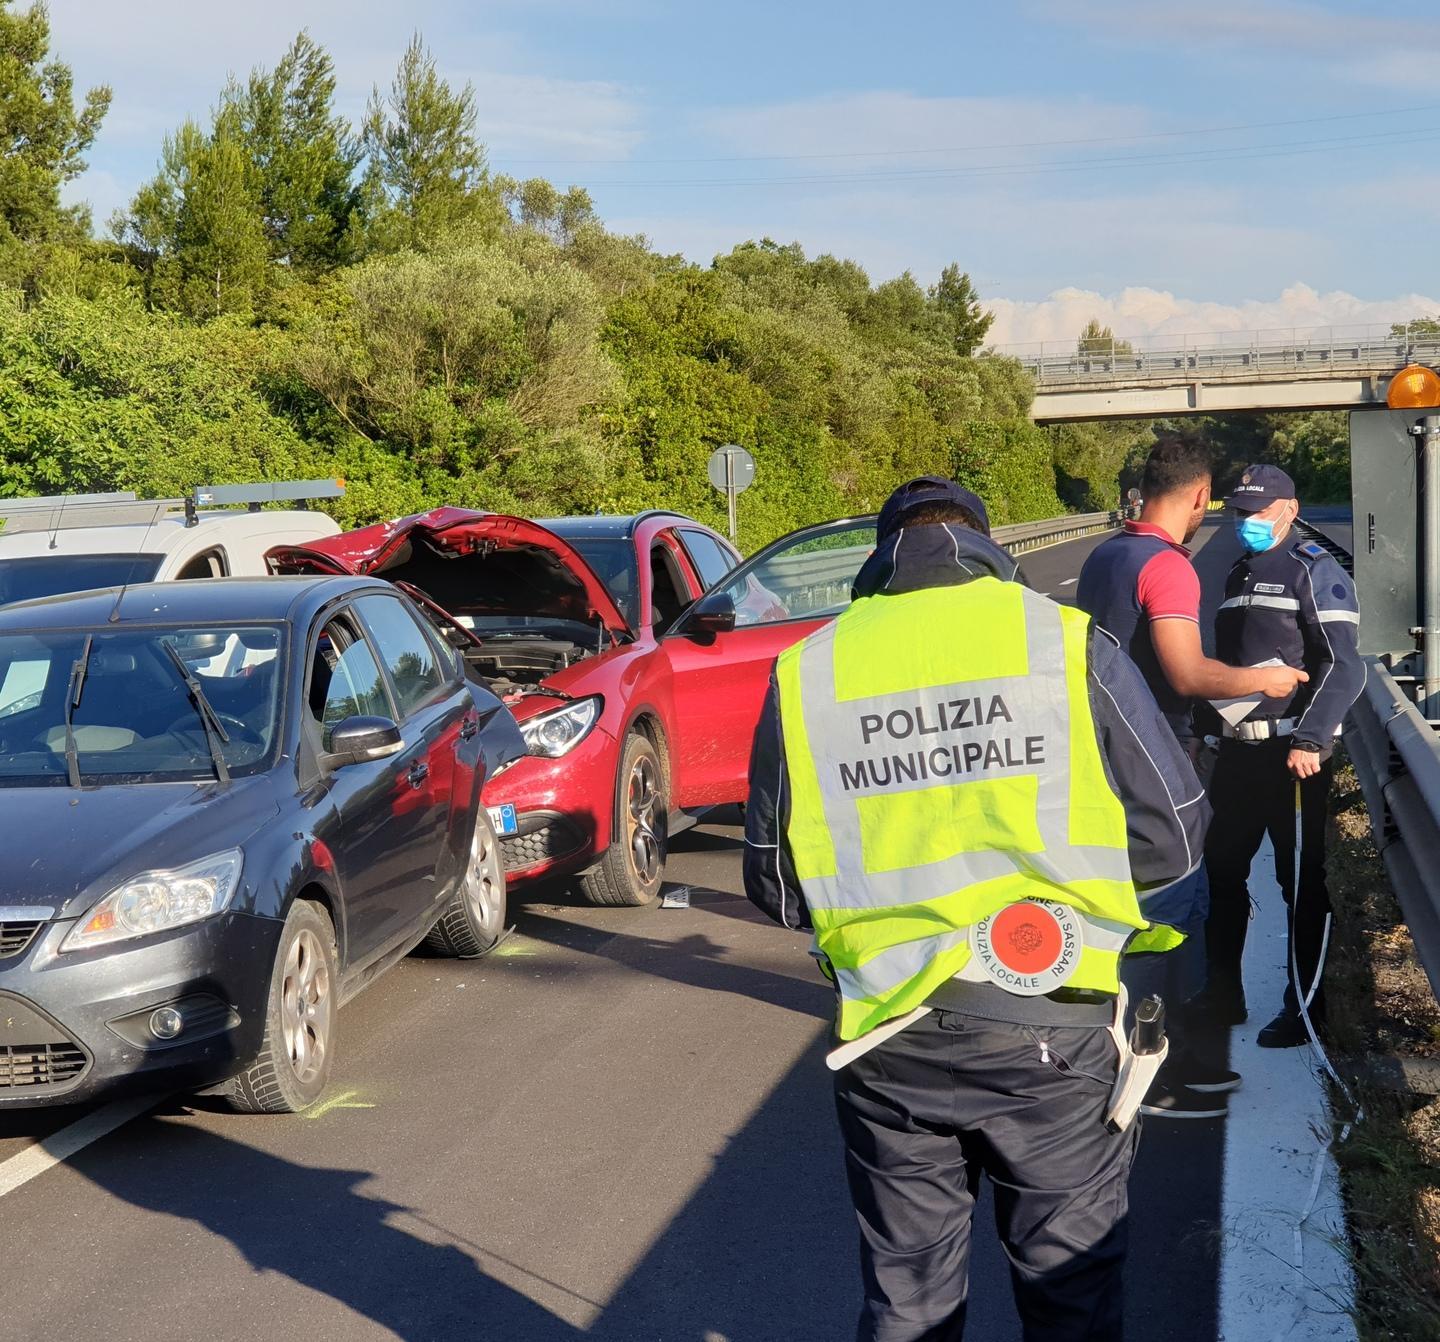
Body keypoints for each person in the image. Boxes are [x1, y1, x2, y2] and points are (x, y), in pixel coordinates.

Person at [743, 476, 1209, 1342]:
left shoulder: (808, 668)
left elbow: (774, 884)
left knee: (907, 1302)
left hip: (891, 1036)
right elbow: (1175, 838)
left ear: (881, 555)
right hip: (1057, 1027)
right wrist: (1099, 918)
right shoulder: (1066, 643)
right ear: (987, 546)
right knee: (1069, 1293)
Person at [1076, 437, 1308, 1117]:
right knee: (1178, 916)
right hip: (1158, 761)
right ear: (1200, 496)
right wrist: (1258, 679)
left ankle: (1112, 1052)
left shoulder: (1104, 557)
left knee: (1124, 914)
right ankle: (1169, 1075)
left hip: (1102, 758)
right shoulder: (1166, 566)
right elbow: (1185, 673)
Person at [1200, 465, 1364, 1047]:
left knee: (1299, 881)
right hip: (1238, 756)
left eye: (1258, 512)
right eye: (1239, 512)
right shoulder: (1238, 571)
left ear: (1289, 509)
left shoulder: (1312, 572)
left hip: (1295, 759)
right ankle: (1223, 994)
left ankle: (1305, 1006)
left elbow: (1344, 664)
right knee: (1221, 870)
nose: (1246, 522)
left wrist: (1311, 739)